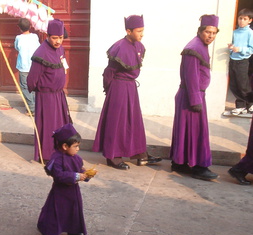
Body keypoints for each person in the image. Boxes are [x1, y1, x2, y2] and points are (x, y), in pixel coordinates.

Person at [93, 15, 161, 170]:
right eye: (139, 31)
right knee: (117, 122)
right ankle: (113, 156)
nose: (142, 34)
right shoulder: (119, 47)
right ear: (128, 31)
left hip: (131, 88)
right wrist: (110, 91)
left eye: (143, 30)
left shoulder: (139, 46)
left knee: (134, 121)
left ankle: (139, 154)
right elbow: (109, 72)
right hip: (118, 88)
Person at [170, 15, 220, 181]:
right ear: (200, 31)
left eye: (214, 33)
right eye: (207, 32)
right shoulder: (194, 48)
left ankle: (179, 163)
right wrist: (196, 100)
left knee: (186, 131)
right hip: (192, 96)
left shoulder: (201, 45)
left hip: (194, 95)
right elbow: (190, 76)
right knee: (197, 133)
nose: (210, 36)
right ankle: (199, 166)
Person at [37, 123, 96, 235]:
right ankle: (48, 230)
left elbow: (80, 169)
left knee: (74, 211)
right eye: (75, 146)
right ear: (64, 146)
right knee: (55, 211)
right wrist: (76, 176)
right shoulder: (56, 159)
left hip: (73, 191)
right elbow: (58, 175)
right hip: (59, 192)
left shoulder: (76, 158)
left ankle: (74, 232)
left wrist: (87, 174)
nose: (78, 149)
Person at [27, 19, 70, 162]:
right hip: (46, 97)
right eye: (54, 38)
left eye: (61, 38)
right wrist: (39, 91)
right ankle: (47, 155)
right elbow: (32, 78)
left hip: (58, 95)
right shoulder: (41, 53)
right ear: (48, 36)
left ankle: (59, 151)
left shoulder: (60, 48)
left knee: (60, 125)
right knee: (49, 126)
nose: (58, 41)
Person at [227, 8, 253, 116]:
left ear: (250, 20)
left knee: (243, 85)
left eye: (244, 19)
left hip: (242, 61)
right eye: (240, 18)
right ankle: (243, 106)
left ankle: (247, 104)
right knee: (234, 85)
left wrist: (240, 49)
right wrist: (231, 48)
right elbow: (232, 46)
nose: (241, 21)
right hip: (233, 60)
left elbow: (251, 49)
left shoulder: (250, 33)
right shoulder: (234, 32)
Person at [14, 18, 40, 115]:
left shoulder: (18, 38)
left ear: (19, 28)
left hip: (24, 67)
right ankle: (36, 106)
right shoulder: (35, 36)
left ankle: (32, 108)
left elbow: (16, 47)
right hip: (35, 66)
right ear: (30, 26)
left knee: (25, 87)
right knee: (34, 86)